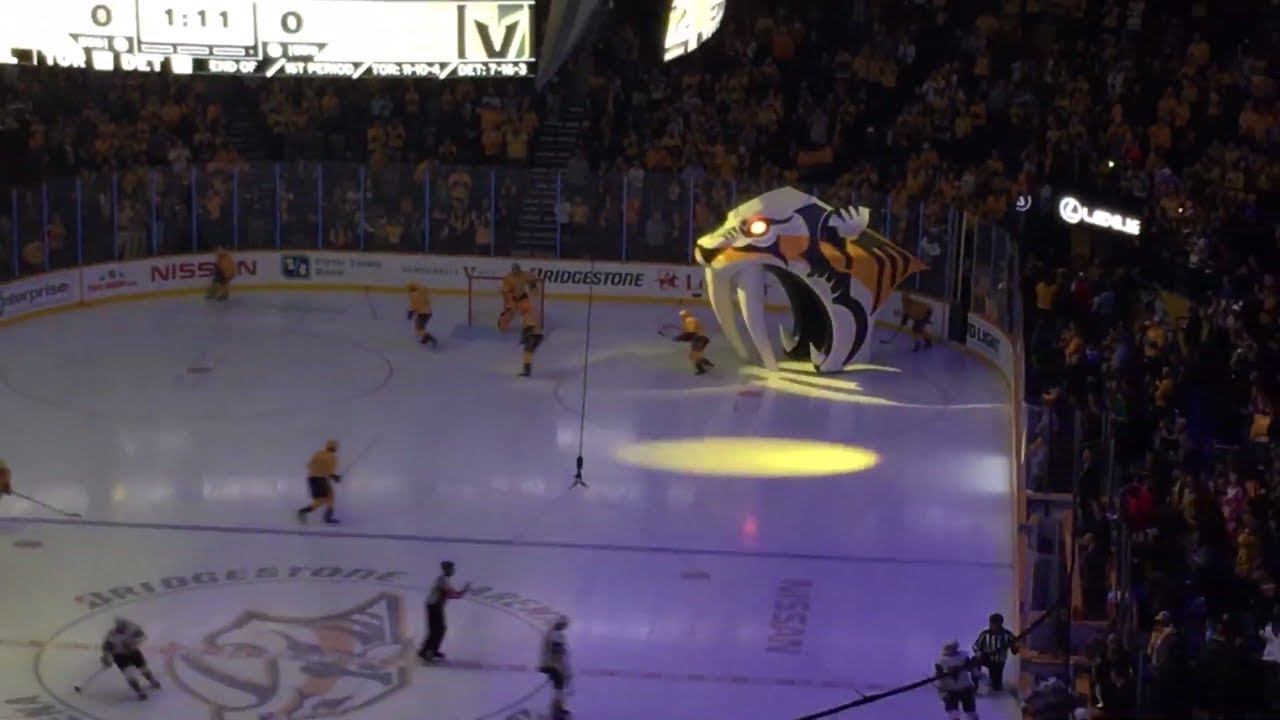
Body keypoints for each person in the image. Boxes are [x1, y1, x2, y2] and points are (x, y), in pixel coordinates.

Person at [418, 560, 471, 663]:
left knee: (438, 629)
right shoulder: (442, 580)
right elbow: (452, 593)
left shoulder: (444, 580)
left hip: (435, 606)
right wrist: (463, 591)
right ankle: (427, 652)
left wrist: (461, 593)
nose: (453, 571)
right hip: (434, 606)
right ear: (446, 569)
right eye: (451, 568)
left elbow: (452, 595)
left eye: (453, 568)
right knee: (437, 630)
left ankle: (429, 650)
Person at [100, 618, 162, 700]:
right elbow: (106, 647)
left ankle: (152, 680)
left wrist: (133, 642)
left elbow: (143, 637)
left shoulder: (132, 629)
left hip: (134, 653)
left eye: (123, 626)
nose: (121, 628)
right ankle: (139, 691)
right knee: (129, 675)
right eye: (119, 627)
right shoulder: (111, 635)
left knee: (144, 669)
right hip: (120, 656)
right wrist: (106, 657)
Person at [296, 440, 341, 524]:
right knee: (325, 499)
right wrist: (336, 477)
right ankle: (304, 512)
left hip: (312, 478)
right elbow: (330, 472)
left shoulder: (318, 453)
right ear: (335, 447)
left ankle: (326, 516)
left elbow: (309, 465)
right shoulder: (332, 458)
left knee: (326, 498)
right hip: (321, 479)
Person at [973, 612, 1018, 692]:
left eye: (996, 623)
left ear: (1001, 623)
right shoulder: (985, 634)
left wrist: (1016, 646)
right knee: (974, 661)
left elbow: (1014, 650)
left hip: (999, 662)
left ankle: (992, 683)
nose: (994, 625)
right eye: (993, 623)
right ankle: (977, 681)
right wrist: (978, 652)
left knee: (996, 686)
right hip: (986, 658)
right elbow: (976, 645)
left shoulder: (1007, 634)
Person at [539, 615, 573, 719]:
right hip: (553, 664)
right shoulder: (555, 634)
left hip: (551, 664)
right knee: (559, 685)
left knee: (559, 686)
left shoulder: (552, 633)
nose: (565, 627)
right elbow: (556, 650)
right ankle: (557, 708)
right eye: (564, 625)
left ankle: (557, 707)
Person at [935, 640, 979, 720]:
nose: (951, 650)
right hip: (950, 690)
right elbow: (940, 677)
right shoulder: (940, 662)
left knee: (971, 711)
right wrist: (942, 690)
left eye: (952, 648)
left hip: (965, 687)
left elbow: (971, 668)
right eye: (948, 648)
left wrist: (971, 666)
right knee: (953, 713)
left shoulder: (963, 657)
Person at [672, 309, 713, 374]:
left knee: (693, 356)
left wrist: (679, 338)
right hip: (701, 339)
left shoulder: (689, 320)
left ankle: (702, 369)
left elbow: (690, 334)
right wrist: (681, 337)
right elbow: (690, 334)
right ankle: (708, 364)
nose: (681, 318)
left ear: (684, 316)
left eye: (681, 316)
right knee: (695, 356)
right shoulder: (691, 320)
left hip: (699, 340)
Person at [499, 263, 536, 332]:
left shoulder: (524, 274)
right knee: (510, 313)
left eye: (518, 270)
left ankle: (529, 325)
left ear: (519, 269)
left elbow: (532, 277)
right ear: (512, 270)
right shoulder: (508, 278)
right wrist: (509, 302)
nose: (516, 272)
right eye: (515, 270)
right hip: (511, 298)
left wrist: (532, 281)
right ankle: (502, 325)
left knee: (526, 309)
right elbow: (506, 291)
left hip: (522, 297)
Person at [519, 293, 545, 377]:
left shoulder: (529, 313)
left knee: (528, 351)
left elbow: (530, 326)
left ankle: (527, 370)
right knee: (527, 351)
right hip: (537, 335)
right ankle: (527, 369)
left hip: (534, 335)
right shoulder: (530, 311)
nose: (520, 307)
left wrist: (524, 336)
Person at [406, 282, 438, 347]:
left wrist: (410, 313)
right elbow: (428, 301)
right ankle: (424, 339)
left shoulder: (412, 295)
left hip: (422, 313)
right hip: (429, 313)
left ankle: (429, 337)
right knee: (422, 326)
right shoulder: (423, 292)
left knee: (418, 328)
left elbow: (414, 305)